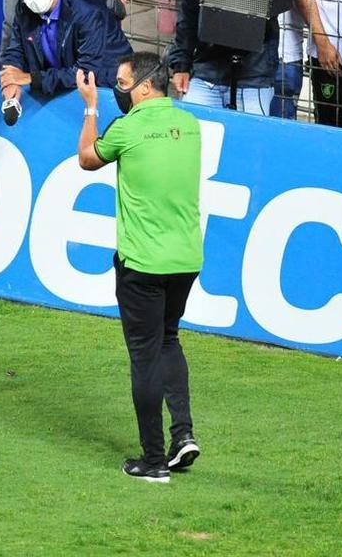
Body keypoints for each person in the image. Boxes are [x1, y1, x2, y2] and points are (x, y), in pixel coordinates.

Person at [74, 52, 203, 483]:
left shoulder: (127, 129)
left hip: (142, 263)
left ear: (145, 86)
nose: (119, 89)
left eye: (123, 82)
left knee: (144, 357)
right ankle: (182, 434)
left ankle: (152, 461)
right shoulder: (190, 126)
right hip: (186, 259)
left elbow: (88, 158)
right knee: (168, 340)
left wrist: (90, 107)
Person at [0, 0, 132, 105]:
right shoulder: (24, 7)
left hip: (108, 90)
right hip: (61, 86)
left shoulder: (88, 10)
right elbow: (15, 49)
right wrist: (10, 77)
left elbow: (86, 71)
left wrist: (31, 78)